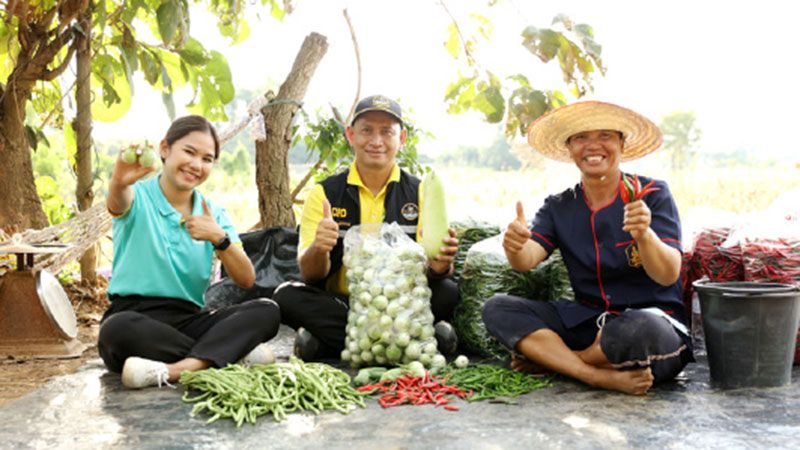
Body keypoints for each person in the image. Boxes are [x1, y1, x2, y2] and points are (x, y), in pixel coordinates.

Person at [482, 101, 694, 395]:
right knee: (498, 308)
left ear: (622, 143)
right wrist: (514, 246)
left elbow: (668, 274)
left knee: (635, 328)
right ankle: (595, 374)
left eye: (605, 135)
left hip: (652, 325)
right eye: (581, 137)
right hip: (588, 321)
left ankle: (559, 363)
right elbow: (525, 260)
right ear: (569, 148)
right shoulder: (558, 206)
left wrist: (644, 235)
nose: (593, 146)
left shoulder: (653, 194)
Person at [272, 95, 460, 360]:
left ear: (402, 138)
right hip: (343, 304)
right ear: (350, 134)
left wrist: (441, 267)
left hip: (402, 304)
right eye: (367, 130)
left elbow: (434, 269)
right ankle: (417, 341)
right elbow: (311, 275)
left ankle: (333, 343)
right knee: (287, 295)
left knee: (448, 292)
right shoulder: (324, 193)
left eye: (387, 132)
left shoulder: (420, 191)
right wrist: (319, 248)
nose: (376, 141)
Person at [99, 115, 281, 389]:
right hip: (137, 318)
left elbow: (246, 279)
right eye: (189, 152)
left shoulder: (213, 213)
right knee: (116, 330)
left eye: (207, 159)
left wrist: (220, 239)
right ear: (164, 149)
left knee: (267, 310)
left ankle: (176, 371)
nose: (196, 165)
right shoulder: (138, 196)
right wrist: (118, 181)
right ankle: (227, 355)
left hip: (190, 318)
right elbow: (117, 202)